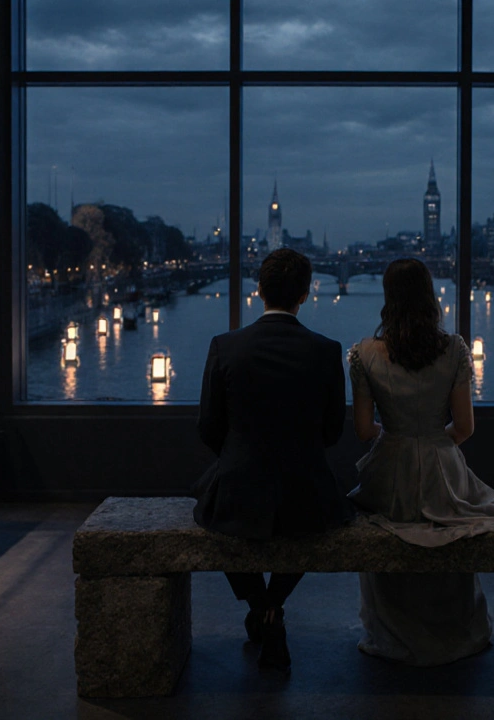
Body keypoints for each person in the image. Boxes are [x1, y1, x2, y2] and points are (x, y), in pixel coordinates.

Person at [346, 257, 494, 666]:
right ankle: (453, 630)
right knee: (455, 519)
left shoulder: (364, 354)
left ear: (388, 298)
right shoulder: (453, 349)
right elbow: (465, 427)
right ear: (429, 296)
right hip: (441, 464)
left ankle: (393, 631)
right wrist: (435, 443)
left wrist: (397, 440)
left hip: (390, 468)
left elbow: (365, 430)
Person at [192, 247, 353, 672]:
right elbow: (333, 432)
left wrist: (241, 456)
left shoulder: (225, 347)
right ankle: (273, 605)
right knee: (313, 527)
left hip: (240, 486)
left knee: (217, 515)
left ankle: (260, 605)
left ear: (259, 291)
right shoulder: (326, 350)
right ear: (304, 295)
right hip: (307, 489)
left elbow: (208, 426)